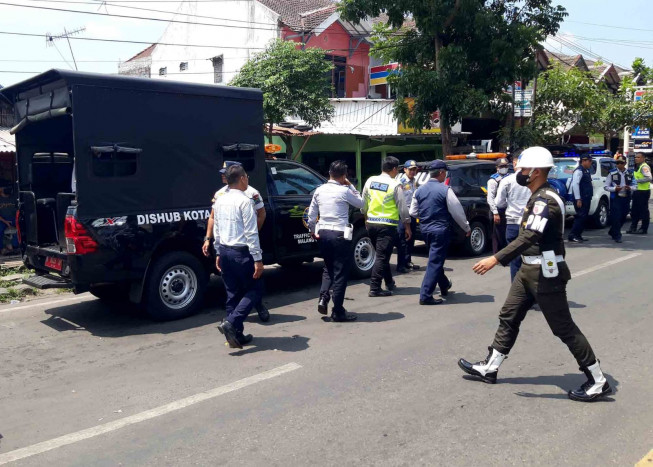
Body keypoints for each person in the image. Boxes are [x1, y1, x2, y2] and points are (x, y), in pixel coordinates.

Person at [459, 146, 612, 403]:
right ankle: (491, 366)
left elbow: (531, 235)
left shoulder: (545, 201)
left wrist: (496, 258)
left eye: (522, 169)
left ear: (536, 172)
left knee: (563, 327)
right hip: (529, 269)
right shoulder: (537, 196)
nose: (518, 173)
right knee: (509, 315)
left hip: (545, 272)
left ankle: (597, 380)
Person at [203, 161, 270, 322]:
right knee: (250, 287)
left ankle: (242, 319)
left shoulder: (251, 193)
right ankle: (233, 325)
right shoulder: (220, 195)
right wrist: (208, 239)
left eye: (224, 172)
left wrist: (251, 235)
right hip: (234, 248)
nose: (222, 175)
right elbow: (214, 219)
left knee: (248, 285)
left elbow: (261, 214)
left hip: (240, 245)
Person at [215, 165, 264, 350]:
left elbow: (218, 229)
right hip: (241, 253)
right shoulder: (244, 201)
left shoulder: (220, 200)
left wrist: (218, 252)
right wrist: (258, 259)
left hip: (226, 251)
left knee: (232, 294)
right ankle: (231, 322)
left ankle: (236, 335)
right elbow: (251, 233)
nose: (248, 180)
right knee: (255, 290)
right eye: (247, 177)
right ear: (242, 178)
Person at [307, 160, 363, 322]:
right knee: (340, 273)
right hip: (339, 234)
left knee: (328, 268)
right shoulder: (345, 191)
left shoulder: (319, 190)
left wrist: (312, 230)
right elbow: (361, 203)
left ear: (329, 173)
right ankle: (338, 311)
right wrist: (351, 186)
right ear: (344, 175)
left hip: (323, 233)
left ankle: (323, 298)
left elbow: (311, 215)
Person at [410, 160, 471, 305]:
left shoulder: (419, 190)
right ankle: (425, 295)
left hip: (425, 229)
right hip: (440, 230)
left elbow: (413, 212)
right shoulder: (445, 190)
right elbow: (457, 211)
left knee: (435, 259)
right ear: (442, 173)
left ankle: (444, 285)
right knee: (435, 261)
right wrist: (466, 227)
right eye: (446, 172)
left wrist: (426, 217)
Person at [361, 156, 411, 297]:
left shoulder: (370, 180)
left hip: (371, 223)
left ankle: (389, 282)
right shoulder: (395, 184)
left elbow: (363, 202)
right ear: (394, 169)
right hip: (387, 225)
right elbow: (402, 207)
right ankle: (375, 288)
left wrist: (365, 218)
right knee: (382, 257)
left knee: (383, 254)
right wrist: (407, 226)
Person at [495, 155, 531, 281]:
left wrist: (510, 203)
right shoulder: (534, 179)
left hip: (513, 224)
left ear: (516, 163)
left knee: (515, 260)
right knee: (533, 259)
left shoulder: (507, 180)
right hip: (531, 224)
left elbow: (499, 202)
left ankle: (517, 292)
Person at [396, 160, 420, 273]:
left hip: (412, 214)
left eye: (414, 169)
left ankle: (407, 261)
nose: (412, 171)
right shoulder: (400, 182)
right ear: (405, 169)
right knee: (402, 239)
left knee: (411, 239)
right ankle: (401, 265)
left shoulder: (415, 181)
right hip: (402, 214)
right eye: (410, 169)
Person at [604, 155, 635, 243]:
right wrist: (614, 189)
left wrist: (630, 188)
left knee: (623, 216)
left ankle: (612, 231)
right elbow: (606, 187)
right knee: (616, 217)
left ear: (625, 163)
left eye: (621, 163)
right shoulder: (612, 173)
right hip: (616, 198)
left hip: (626, 197)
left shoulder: (630, 173)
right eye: (617, 163)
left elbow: (635, 185)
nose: (619, 165)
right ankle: (617, 235)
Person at [568, 154, 593, 243]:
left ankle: (578, 235)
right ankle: (573, 235)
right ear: (583, 161)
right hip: (581, 198)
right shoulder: (579, 171)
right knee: (580, 217)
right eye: (589, 161)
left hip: (586, 197)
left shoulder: (586, 171)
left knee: (584, 217)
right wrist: (578, 199)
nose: (591, 163)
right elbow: (575, 185)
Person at [487, 157, 510, 254]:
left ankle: (506, 255)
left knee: (507, 233)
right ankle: (498, 255)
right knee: (498, 235)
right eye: (502, 166)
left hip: (509, 209)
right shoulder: (493, 180)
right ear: (497, 167)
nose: (504, 168)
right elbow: (490, 198)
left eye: (506, 166)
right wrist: (495, 213)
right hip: (498, 210)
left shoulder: (510, 178)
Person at [627, 153, 651, 235]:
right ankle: (633, 227)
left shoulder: (644, 167)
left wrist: (636, 181)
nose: (636, 158)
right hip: (637, 191)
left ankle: (643, 228)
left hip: (643, 191)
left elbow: (649, 177)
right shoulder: (637, 166)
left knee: (643, 211)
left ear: (643, 158)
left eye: (638, 157)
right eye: (635, 157)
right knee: (634, 210)